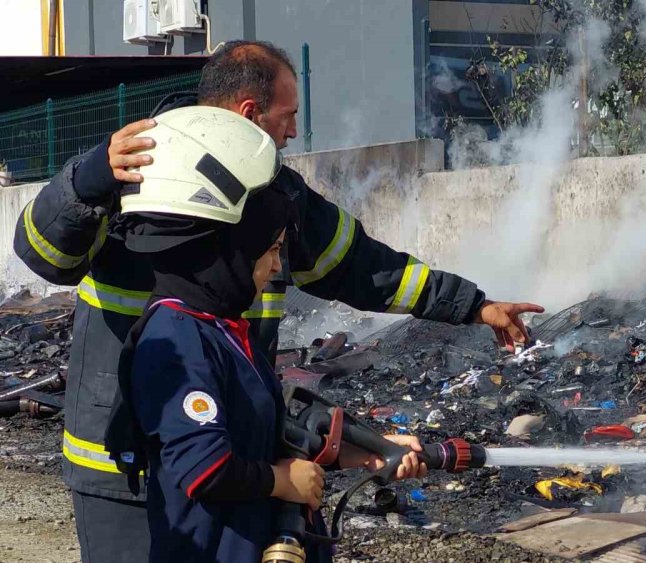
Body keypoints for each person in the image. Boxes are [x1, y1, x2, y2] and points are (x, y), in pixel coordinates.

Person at [13, 40, 542, 562]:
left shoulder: (277, 195)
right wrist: (88, 181)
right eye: (288, 115)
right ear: (250, 112)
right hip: (124, 469)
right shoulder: (137, 170)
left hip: (233, 469)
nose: (293, 130)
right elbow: (43, 256)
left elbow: (362, 266)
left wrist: (473, 305)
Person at [110, 111, 424, 562]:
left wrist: (369, 454)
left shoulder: (221, 326)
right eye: (271, 250)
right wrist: (282, 481)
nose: (277, 267)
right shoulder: (178, 340)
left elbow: (264, 433)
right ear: (226, 252)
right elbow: (204, 467)